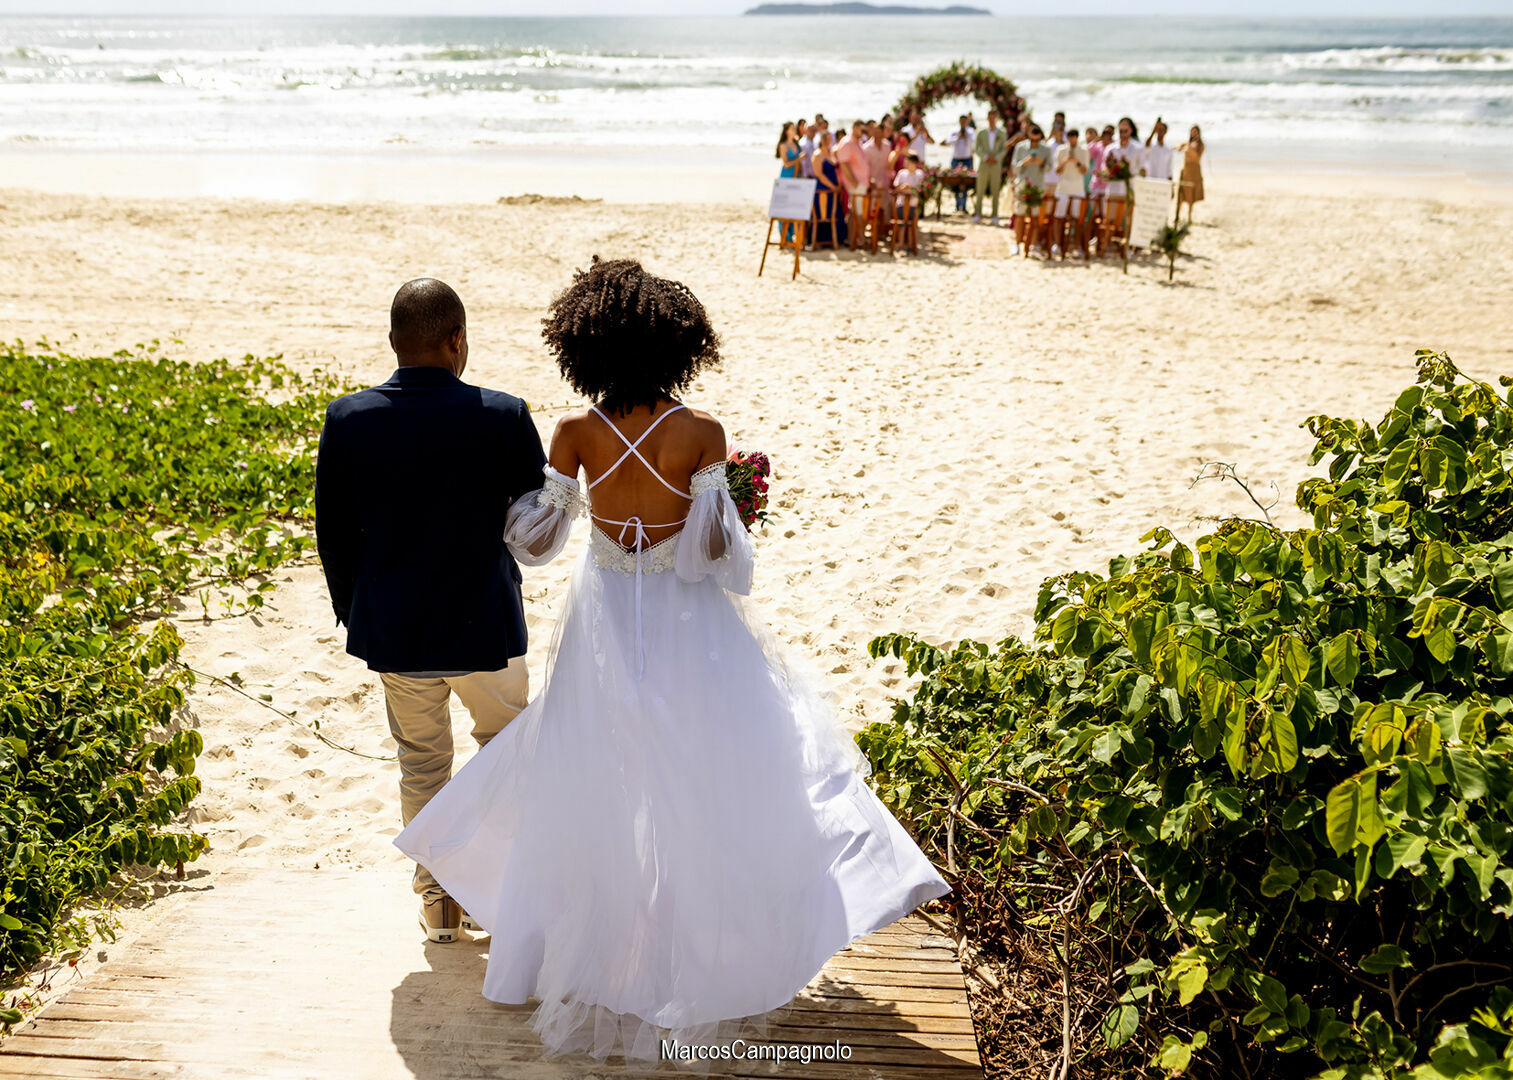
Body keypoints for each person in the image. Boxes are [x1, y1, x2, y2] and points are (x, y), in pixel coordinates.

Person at [392, 257, 951, 1064]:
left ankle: (600, 939)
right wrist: (720, 509)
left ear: (583, 345)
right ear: (677, 345)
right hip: (691, 621)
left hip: (605, 617)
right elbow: (718, 555)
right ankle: (697, 948)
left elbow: (542, 540)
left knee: (601, 773)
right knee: (701, 771)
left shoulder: (575, 433)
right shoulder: (702, 433)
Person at [315, 278, 546, 944]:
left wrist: (357, 613)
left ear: (392, 343)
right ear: (456, 339)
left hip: (396, 628)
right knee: (502, 753)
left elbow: (334, 534)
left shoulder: (349, 418)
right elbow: (531, 525)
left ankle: (437, 898)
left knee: (421, 763)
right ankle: (484, 891)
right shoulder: (503, 414)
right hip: (486, 627)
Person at [1099, 116, 1142, 252]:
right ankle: (1107, 245)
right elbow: (1104, 168)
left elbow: (1140, 169)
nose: (1123, 133)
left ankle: (1126, 246)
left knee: (1128, 220)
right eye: (1121, 130)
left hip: (1128, 189)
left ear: (1130, 131)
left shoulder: (1137, 149)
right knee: (1109, 220)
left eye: (1126, 130)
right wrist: (1112, 172)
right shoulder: (1111, 149)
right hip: (1113, 189)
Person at [1009, 122, 1052, 256]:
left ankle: (1033, 244)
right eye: (1032, 140)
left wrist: (1042, 163)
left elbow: (1050, 168)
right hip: (1023, 185)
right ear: (1028, 136)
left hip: (1037, 185)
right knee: (1019, 215)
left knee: (1035, 216)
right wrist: (1024, 162)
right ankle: (1017, 244)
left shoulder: (1046, 149)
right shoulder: (1020, 147)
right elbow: (1014, 167)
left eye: (1037, 140)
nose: (1034, 143)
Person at [1053, 126, 1089, 257]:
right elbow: (1057, 171)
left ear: (1077, 138)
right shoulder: (1061, 150)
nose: (1072, 140)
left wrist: (1077, 162)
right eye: (1069, 137)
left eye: (1074, 137)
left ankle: (1077, 246)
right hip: (1063, 187)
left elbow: (1085, 171)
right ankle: (1057, 244)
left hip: (1078, 188)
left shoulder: (1083, 150)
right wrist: (1065, 162)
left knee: (1078, 220)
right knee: (1059, 218)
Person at [812, 129, 847, 247]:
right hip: (823, 189)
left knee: (836, 212)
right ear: (821, 140)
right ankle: (823, 240)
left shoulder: (832, 152)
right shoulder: (818, 154)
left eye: (830, 139)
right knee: (823, 213)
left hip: (835, 189)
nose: (828, 141)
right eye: (826, 139)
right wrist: (832, 187)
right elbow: (819, 175)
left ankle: (837, 239)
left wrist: (839, 185)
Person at [836, 119, 871, 238]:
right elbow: (843, 163)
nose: (864, 132)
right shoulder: (847, 142)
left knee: (855, 213)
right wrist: (854, 183)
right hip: (856, 185)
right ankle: (859, 238)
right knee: (858, 213)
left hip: (861, 184)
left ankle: (853, 238)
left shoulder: (857, 142)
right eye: (862, 130)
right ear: (855, 128)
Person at [972, 109, 1007, 226]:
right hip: (984, 164)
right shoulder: (981, 133)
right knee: (980, 189)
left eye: (994, 117)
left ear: (996, 118)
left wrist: (996, 158)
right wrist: (985, 157)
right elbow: (977, 149)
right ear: (987, 118)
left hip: (996, 165)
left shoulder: (1002, 133)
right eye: (990, 117)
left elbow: (1004, 149)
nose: (992, 119)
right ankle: (978, 213)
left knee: (995, 190)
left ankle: (995, 215)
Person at [944, 112, 975, 213]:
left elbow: (974, 142)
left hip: (967, 159)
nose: (963, 122)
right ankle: (957, 205)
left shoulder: (971, 131)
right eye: (961, 121)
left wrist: (966, 138)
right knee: (955, 183)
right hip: (956, 159)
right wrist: (957, 138)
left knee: (966, 183)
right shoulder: (954, 131)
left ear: (967, 121)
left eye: (964, 121)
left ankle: (964, 206)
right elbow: (948, 141)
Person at [1178, 124, 1205, 222]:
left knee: (1191, 196)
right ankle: (1178, 215)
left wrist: (1192, 148)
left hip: (1194, 171)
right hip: (1186, 170)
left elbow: (1197, 158)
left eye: (1195, 132)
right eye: (1192, 131)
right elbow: (1179, 148)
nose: (1194, 133)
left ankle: (1189, 217)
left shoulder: (1200, 145)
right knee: (1182, 194)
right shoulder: (1188, 143)